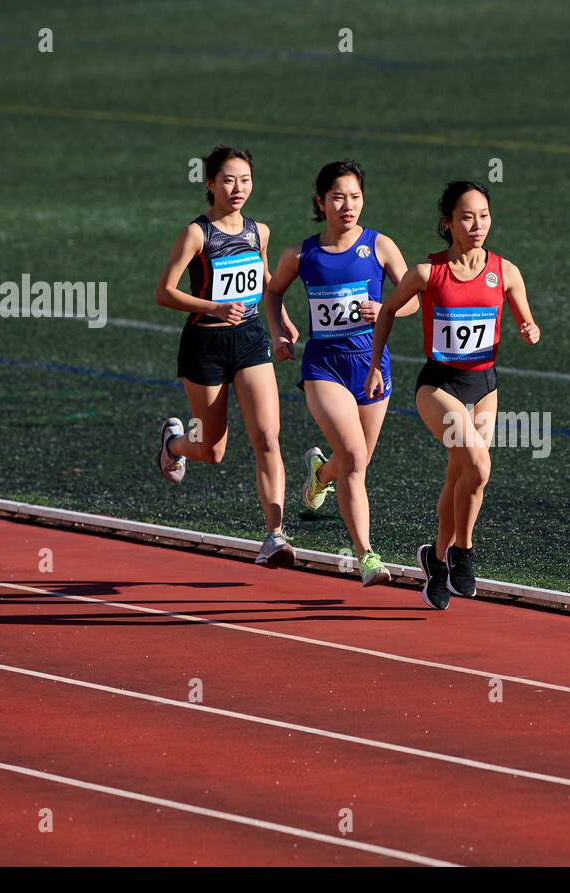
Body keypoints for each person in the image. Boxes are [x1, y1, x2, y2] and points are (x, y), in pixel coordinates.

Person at [365, 180, 541, 610]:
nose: (477, 224)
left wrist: (529, 329)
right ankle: (464, 550)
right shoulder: (428, 273)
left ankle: (437, 561)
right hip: (438, 385)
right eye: (467, 216)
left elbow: (525, 317)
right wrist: (374, 364)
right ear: (448, 223)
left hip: (484, 385)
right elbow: (388, 309)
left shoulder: (506, 271)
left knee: (462, 476)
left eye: (483, 215)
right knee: (479, 465)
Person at [264, 160, 418, 587]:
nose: (347, 206)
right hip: (323, 367)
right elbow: (273, 291)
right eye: (337, 198)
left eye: (354, 197)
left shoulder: (380, 245)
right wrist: (280, 330)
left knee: (356, 461)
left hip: (371, 366)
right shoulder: (301, 253)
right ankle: (366, 554)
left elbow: (413, 300)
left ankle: (318, 476)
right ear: (321, 202)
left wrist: (387, 308)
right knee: (353, 457)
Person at [154, 144, 301, 568]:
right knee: (211, 450)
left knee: (268, 437)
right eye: (229, 180)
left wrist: (281, 323)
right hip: (206, 346)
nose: (238, 188)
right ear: (211, 184)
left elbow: (267, 283)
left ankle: (274, 535)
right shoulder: (197, 234)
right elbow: (164, 291)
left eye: (246, 179)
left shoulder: (260, 231)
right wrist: (213, 307)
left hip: (252, 340)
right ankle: (174, 444)